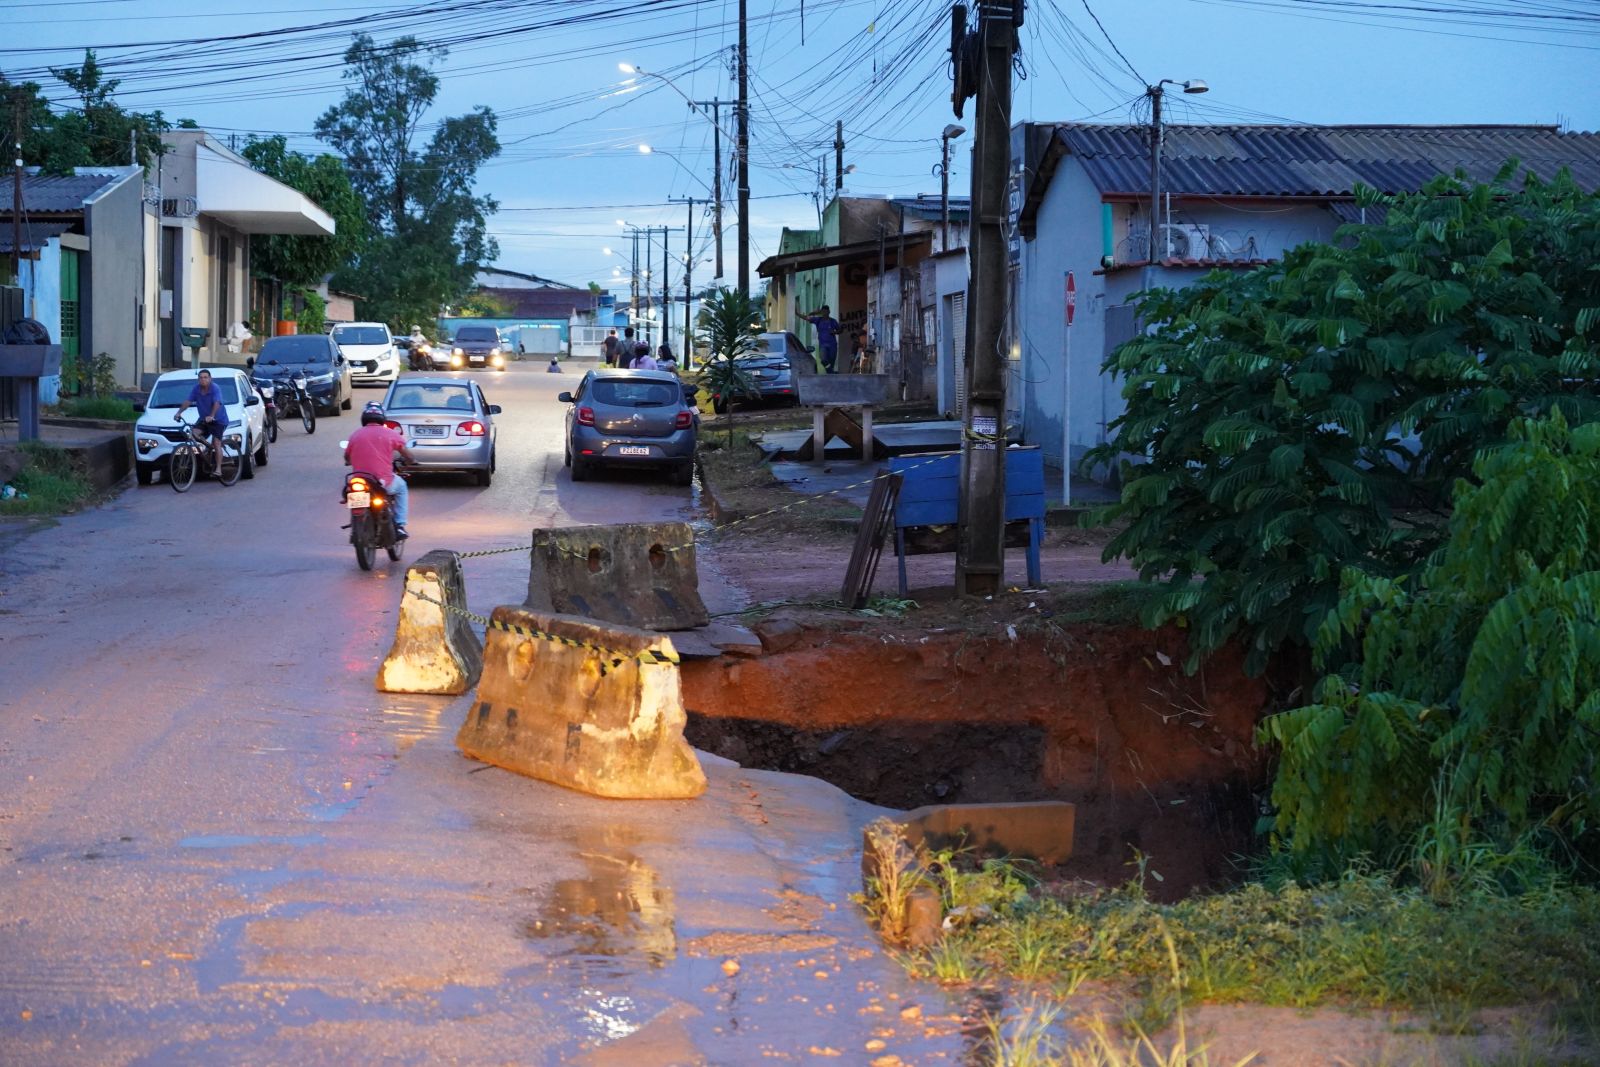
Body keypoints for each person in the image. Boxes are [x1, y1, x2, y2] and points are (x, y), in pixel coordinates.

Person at [344, 403, 416, 539]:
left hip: (359, 480)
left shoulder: (355, 434)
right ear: (382, 418)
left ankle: (355, 529)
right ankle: (400, 525)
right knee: (402, 488)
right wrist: (411, 460)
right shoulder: (390, 434)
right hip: (382, 481)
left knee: (353, 497)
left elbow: (347, 457)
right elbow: (408, 454)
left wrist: (349, 461)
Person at [176, 369, 228, 475]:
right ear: (198, 379)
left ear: (210, 378)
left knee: (217, 442)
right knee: (193, 433)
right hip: (204, 419)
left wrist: (212, 416)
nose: (203, 379)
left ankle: (218, 469)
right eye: (200, 377)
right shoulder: (196, 389)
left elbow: (217, 403)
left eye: (205, 377)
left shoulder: (215, 388)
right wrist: (179, 413)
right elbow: (188, 401)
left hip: (218, 420)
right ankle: (209, 448)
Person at [798, 303, 842, 372]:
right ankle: (830, 372)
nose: (824, 313)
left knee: (831, 363)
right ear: (821, 312)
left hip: (832, 345)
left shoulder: (833, 321)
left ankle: (830, 374)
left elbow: (840, 330)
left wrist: (834, 332)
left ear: (829, 312)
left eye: (826, 312)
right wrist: (798, 314)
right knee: (823, 359)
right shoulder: (818, 320)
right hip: (823, 345)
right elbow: (807, 317)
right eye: (823, 312)